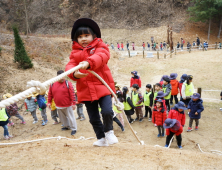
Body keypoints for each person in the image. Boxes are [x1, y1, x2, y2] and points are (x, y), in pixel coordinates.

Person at [66, 18, 118, 146]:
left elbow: (102, 55)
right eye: (80, 37)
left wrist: (89, 62)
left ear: (94, 36)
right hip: (86, 90)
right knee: (93, 117)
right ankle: (101, 138)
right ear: (76, 39)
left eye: (86, 35)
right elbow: (70, 65)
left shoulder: (100, 46)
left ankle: (109, 132)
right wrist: (73, 73)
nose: (83, 39)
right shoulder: (74, 53)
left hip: (103, 86)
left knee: (107, 111)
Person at [48, 70, 77, 136]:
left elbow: (72, 93)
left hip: (68, 105)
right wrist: (49, 102)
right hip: (58, 105)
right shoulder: (52, 84)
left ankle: (74, 129)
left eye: (63, 76)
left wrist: (73, 103)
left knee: (71, 117)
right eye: (61, 77)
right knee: (62, 118)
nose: (62, 78)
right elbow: (50, 94)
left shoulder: (68, 83)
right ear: (57, 77)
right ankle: (67, 126)